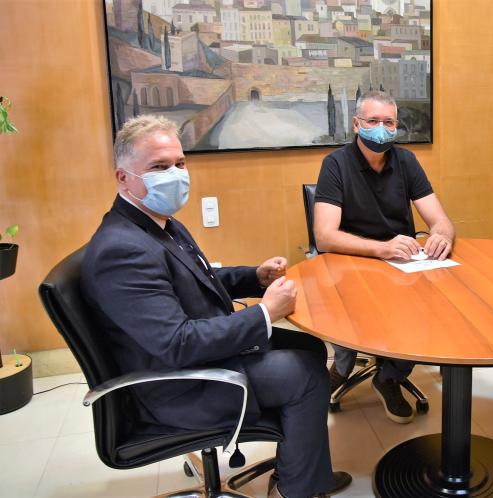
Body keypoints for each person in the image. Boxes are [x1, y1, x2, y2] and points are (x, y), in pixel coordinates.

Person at [81, 115, 351, 498]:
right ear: (123, 178)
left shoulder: (156, 223)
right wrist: (265, 313)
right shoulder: (122, 250)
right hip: (178, 386)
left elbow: (197, 279)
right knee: (305, 373)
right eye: (159, 167)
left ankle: (298, 466)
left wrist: (254, 277)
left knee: (308, 346)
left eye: (179, 163)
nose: (175, 174)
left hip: (199, 357)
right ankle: (297, 488)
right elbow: (176, 343)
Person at [313, 91, 455, 424]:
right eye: (373, 121)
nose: (381, 128)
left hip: (402, 262)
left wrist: (441, 235)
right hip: (352, 261)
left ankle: (389, 376)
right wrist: (380, 248)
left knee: (431, 307)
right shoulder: (336, 164)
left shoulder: (406, 161)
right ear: (356, 124)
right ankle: (343, 364)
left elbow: (441, 220)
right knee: (352, 303)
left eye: (389, 122)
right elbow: (324, 237)